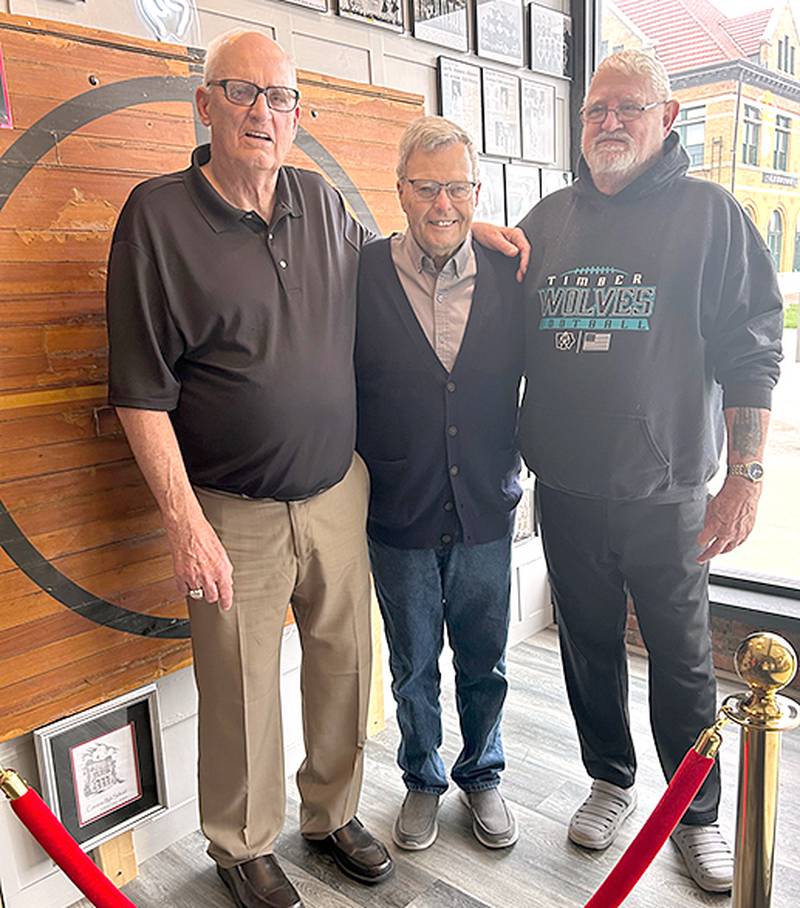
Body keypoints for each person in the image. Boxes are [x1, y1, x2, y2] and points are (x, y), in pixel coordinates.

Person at [105, 29, 528, 908]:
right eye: (244, 93)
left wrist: (461, 229)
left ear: (298, 113)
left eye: (281, 97)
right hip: (232, 506)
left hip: (340, 490)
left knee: (345, 667)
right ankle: (241, 844)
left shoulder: (320, 200)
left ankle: (330, 815)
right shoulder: (157, 216)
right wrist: (185, 523)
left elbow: (398, 266)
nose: (265, 113)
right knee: (242, 687)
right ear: (205, 103)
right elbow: (140, 393)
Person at [517, 50, 782, 894]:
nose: (608, 123)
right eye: (596, 110)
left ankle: (694, 814)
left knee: (682, 657)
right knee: (587, 645)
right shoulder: (550, 220)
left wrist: (744, 473)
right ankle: (610, 779)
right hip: (564, 485)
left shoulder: (711, 216)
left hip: (668, 492)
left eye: (628, 108)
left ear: (666, 119)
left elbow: (753, 350)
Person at [356, 117, 524, 853]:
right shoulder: (358, 273)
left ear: (477, 191)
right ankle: (421, 779)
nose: (442, 204)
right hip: (398, 507)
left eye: (457, 187)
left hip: (488, 504)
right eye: (426, 186)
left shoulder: (512, 276)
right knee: (412, 663)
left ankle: (481, 773)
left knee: (484, 657)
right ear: (400, 190)